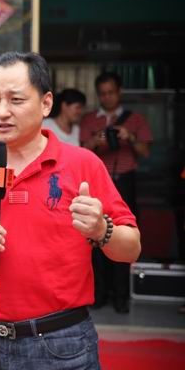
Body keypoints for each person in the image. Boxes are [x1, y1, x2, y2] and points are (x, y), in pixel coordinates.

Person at [0, 52, 141, 369]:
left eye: (16, 100)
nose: (2, 112)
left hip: (61, 343)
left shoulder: (83, 165)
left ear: (46, 103)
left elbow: (131, 248)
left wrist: (101, 229)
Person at [80, 71, 152, 313]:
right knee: (94, 237)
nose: (107, 97)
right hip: (96, 184)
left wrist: (129, 137)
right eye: (102, 93)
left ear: (119, 92)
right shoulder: (90, 120)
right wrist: (95, 141)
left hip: (125, 181)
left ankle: (121, 297)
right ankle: (99, 294)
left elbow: (145, 152)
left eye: (111, 92)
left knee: (123, 235)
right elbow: (80, 150)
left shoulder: (135, 119)